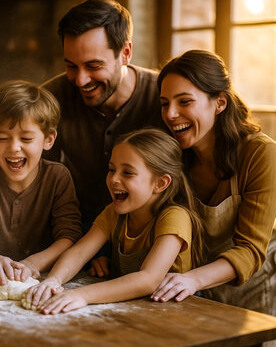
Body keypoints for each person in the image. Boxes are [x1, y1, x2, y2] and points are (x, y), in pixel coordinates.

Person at [23, 128, 204, 314]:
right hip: (133, 310)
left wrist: (82, 295)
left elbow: (149, 279)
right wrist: (53, 280)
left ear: (160, 183)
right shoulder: (114, 213)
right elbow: (79, 253)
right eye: (111, 170)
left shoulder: (174, 216)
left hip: (175, 315)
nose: (114, 179)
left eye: (128, 173)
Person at [151, 50, 276, 317]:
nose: (171, 114)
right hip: (190, 291)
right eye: (164, 103)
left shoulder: (260, 153)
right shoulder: (171, 156)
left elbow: (251, 250)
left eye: (184, 101)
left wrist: (193, 279)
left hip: (251, 292)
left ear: (220, 103)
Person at [42, 0, 164, 244]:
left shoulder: (165, 99)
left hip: (151, 239)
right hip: (76, 235)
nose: (80, 80)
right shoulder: (50, 99)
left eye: (94, 66)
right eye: (71, 66)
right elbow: (38, 183)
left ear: (126, 53)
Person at [0, 80, 82, 286]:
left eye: (26, 139)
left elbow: (69, 237)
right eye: (3, 138)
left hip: (41, 281)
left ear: (49, 139)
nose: (14, 148)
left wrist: (32, 263)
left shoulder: (58, 178)